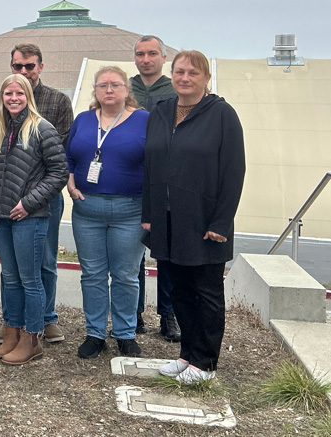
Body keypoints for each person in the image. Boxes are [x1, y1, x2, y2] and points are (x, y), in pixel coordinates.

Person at [143, 50, 245, 385]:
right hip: (168, 220)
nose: (185, 78)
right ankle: (186, 355)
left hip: (204, 221)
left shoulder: (222, 115)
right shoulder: (160, 112)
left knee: (207, 293)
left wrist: (220, 223)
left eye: (193, 73)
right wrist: (149, 214)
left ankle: (205, 363)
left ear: (206, 78)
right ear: (171, 75)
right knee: (180, 292)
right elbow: (151, 167)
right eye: (179, 72)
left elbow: (233, 171)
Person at [0, 44, 72, 345]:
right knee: (11, 270)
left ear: (40, 67)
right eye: (17, 67)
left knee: (41, 262)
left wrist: (31, 199)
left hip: (38, 201)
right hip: (5, 199)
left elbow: (58, 162)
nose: (23, 73)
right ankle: (14, 324)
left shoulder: (57, 103)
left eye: (29, 67)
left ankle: (44, 322)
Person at [66, 66, 148, 359]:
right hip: (88, 209)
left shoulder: (144, 121)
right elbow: (70, 156)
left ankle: (125, 333)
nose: (109, 90)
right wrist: (71, 181)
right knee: (92, 274)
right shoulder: (84, 120)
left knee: (125, 274)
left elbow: (157, 162)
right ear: (96, 92)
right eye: (103, 85)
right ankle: (95, 333)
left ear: (127, 90)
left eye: (115, 85)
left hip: (130, 210)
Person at [130, 35, 180, 343]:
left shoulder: (174, 90)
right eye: (140, 54)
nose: (146, 59)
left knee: (166, 253)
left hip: (165, 179)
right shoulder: (125, 88)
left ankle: (169, 315)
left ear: (163, 58)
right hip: (132, 178)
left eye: (152, 54)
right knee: (132, 253)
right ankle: (132, 314)